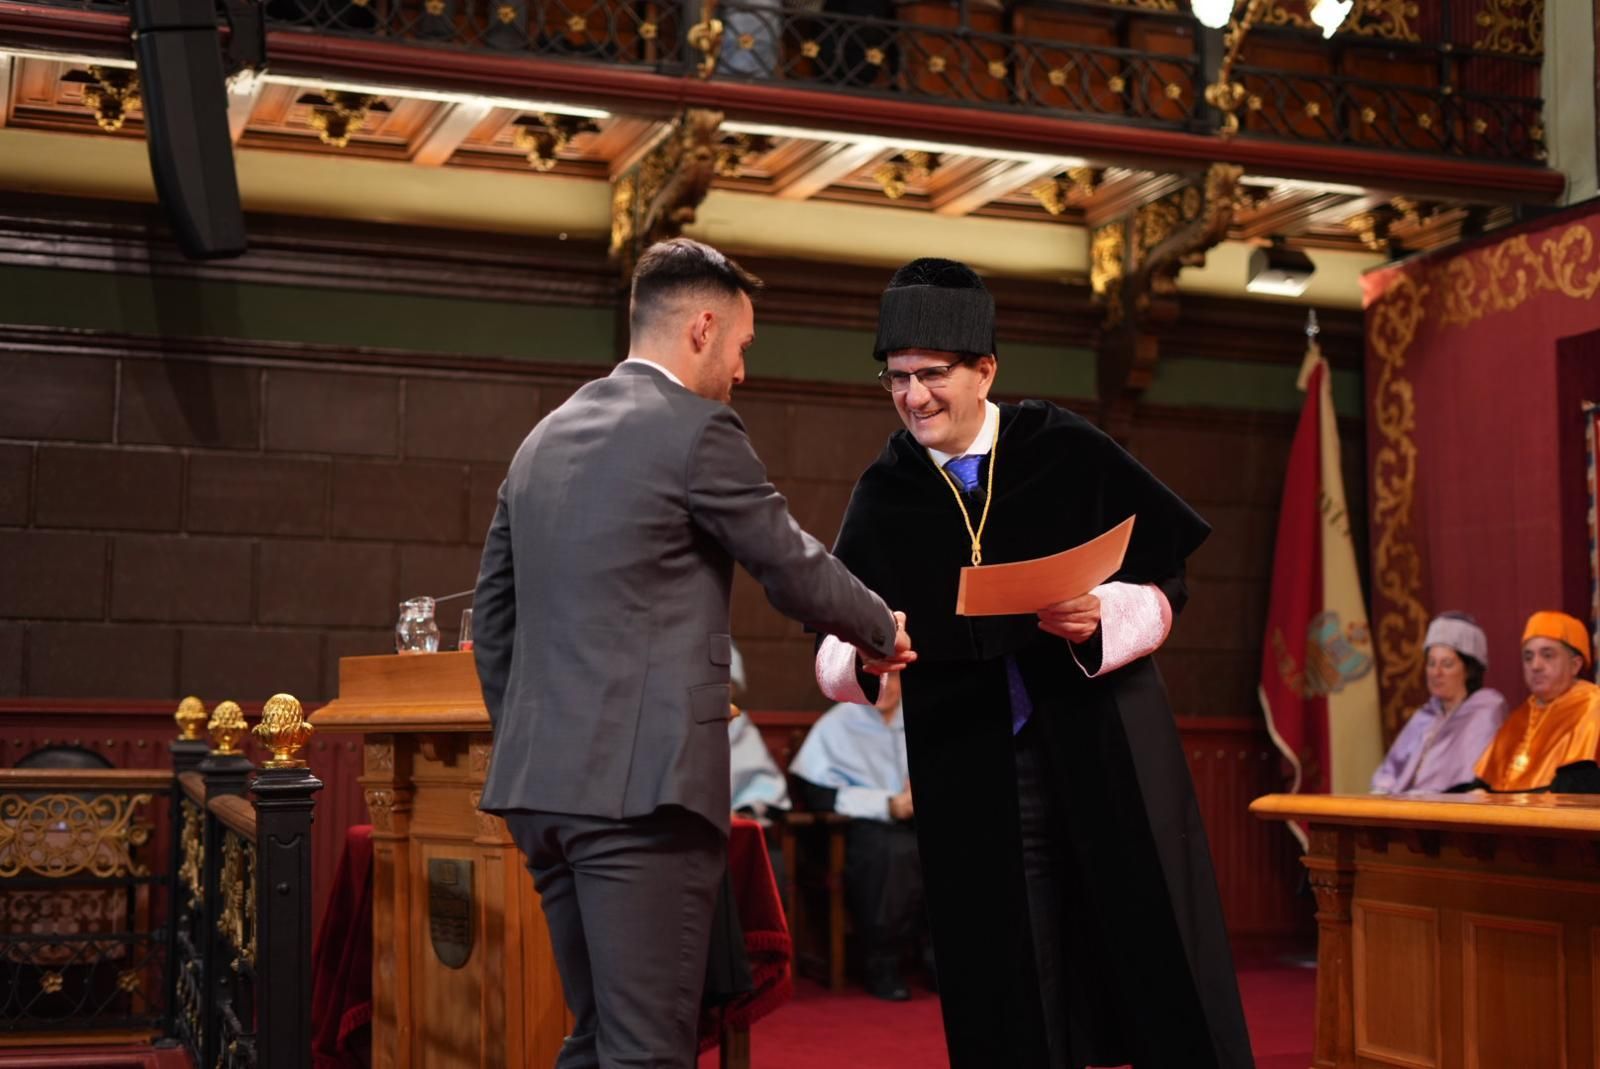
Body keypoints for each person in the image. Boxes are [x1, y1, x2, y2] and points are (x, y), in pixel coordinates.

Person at [471, 237, 911, 1069]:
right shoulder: (695, 430)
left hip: (543, 793)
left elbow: (493, 620)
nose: (743, 371)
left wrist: (535, 736)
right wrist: (882, 627)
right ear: (703, 328)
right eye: (743, 347)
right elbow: (788, 561)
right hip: (642, 798)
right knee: (648, 1052)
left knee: (597, 1036)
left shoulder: (542, 439)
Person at [812, 257, 1252, 1068]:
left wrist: (1102, 615)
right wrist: (869, 652)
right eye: (897, 379)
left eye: (932, 375)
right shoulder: (886, 488)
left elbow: (1169, 576)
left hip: (1102, 734)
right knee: (1004, 967)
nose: (913, 398)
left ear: (986, 369)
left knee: (1149, 940)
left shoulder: (1062, 447)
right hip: (968, 761)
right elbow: (833, 641)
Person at [788, 671, 925, 1002]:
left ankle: (936, 963)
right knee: (893, 854)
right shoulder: (839, 724)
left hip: (916, 822)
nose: (888, 688)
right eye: (880, 680)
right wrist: (886, 804)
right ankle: (882, 962)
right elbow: (820, 794)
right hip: (861, 827)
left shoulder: (918, 714)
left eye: (896, 680)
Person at [1369, 612, 1508, 794]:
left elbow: (1475, 781)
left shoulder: (1486, 710)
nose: (1436, 672)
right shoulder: (1426, 714)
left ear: (1469, 670)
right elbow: (1390, 772)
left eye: (1447, 664)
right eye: (1431, 663)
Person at [1471, 610, 1600, 793]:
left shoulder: (1592, 705)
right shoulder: (1519, 716)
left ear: (1575, 665)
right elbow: (1485, 783)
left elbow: (1580, 784)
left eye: (1547, 655)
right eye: (1528, 657)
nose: (1535, 666)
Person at [727, 644, 791, 819]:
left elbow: (763, 783)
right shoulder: (675, 724)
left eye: (727, 683)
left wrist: (745, 810)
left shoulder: (740, 726)